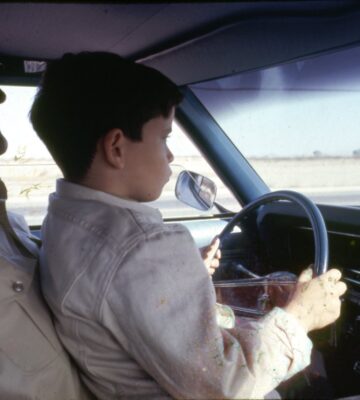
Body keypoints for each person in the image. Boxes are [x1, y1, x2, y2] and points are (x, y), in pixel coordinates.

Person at [29, 52, 346, 400]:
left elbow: (118, 287)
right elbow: (226, 384)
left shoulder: (65, 223)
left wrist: (187, 270)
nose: (169, 156)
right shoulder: (145, 247)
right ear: (116, 148)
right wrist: (300, 316)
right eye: (164, 137)